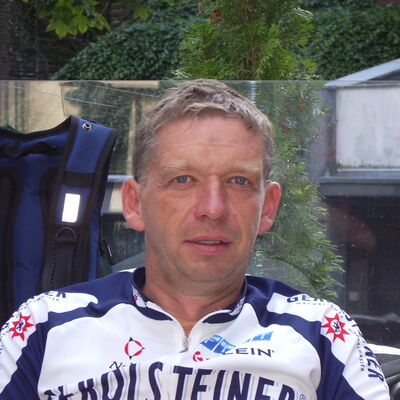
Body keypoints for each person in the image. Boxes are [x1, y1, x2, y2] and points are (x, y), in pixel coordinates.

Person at [0, 80, 389, 399]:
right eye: (183, 180)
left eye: (239, 181)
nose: (213, 208)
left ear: (267, 207)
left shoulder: (323, 332)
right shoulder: (42, 326)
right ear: (134, 203)